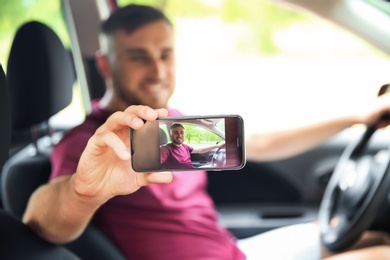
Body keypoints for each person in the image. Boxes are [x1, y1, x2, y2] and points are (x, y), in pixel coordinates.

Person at [22, 4, 390, 260]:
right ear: (105, 63)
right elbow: (43, 221)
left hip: (236, 251)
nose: (157, 70)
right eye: (138, 56)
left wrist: (357, 116)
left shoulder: (173, 125)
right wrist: (82, 192)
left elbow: (258, 143)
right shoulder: (92, 143)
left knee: (370, 237)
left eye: (165, 54)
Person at [160, 123, 225, 169]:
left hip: (193, 172)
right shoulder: (165, 149)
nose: (179, 135)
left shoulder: (184, 146)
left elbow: (200, 150)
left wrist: (218, 145)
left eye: (182, 132)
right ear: (170, 134)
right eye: (176, 132)